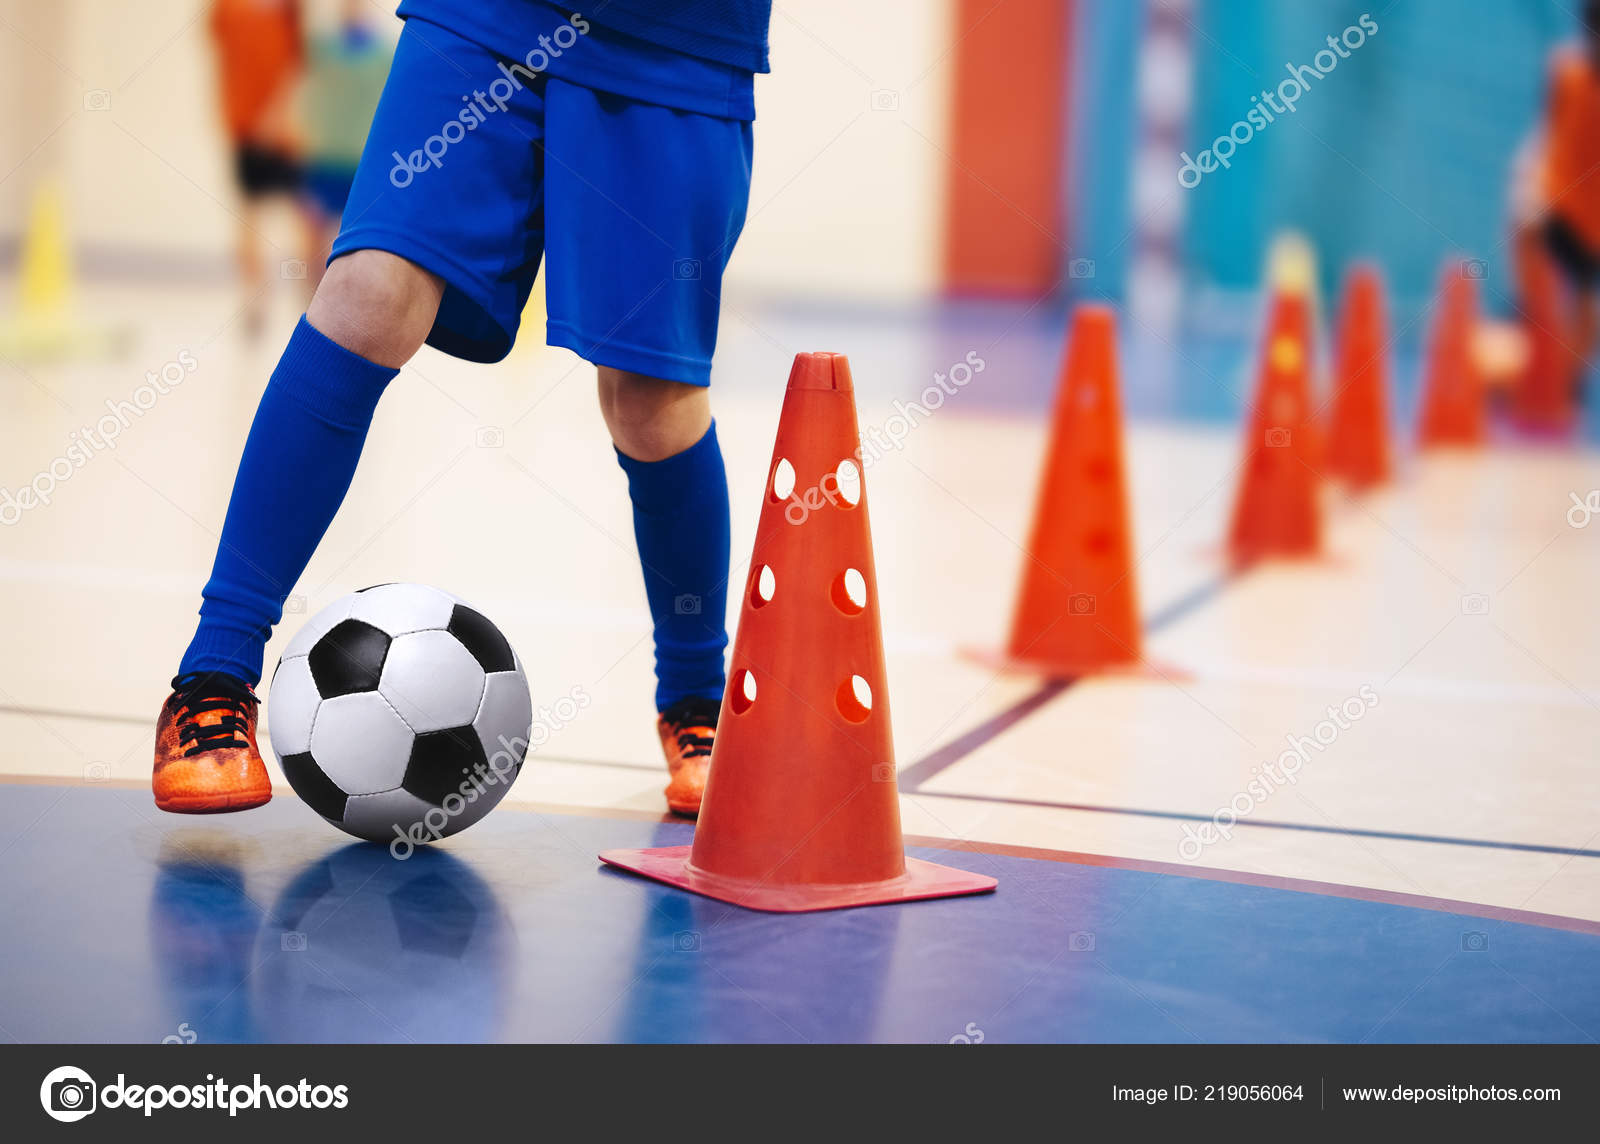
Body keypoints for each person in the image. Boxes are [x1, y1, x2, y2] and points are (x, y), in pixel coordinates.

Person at [154, 1, 771, 817]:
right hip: (490, 15)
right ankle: (213, 677)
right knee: (369, 295)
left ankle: (696, 704)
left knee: (653, 400)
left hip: (682, 42)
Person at [209, 0, 318, 332]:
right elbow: (226, 59)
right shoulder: (228, 9)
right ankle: (255, 299)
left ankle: (313, 296)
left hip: (284, 131)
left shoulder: (289, 10)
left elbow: (298, 64)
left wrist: (278, 114)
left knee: (303, 215)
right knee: (249, 215)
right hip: (245, 128)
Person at [1510, 0, 1600, 400]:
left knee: (1581, 296)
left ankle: (1561, 382)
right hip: (1563, 204)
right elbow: (1550, 134)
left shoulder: (1567, 69)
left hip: (1585, 214)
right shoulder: (1567, 70)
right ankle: (1547, 363)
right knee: (1534, 249)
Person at [297, 0, 395, 286]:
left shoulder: (383, 56)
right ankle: (311, 300)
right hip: (324, 158)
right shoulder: (323, 50)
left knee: (354, 239)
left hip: (359, 160)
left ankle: (345, 296)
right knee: (313, 237)